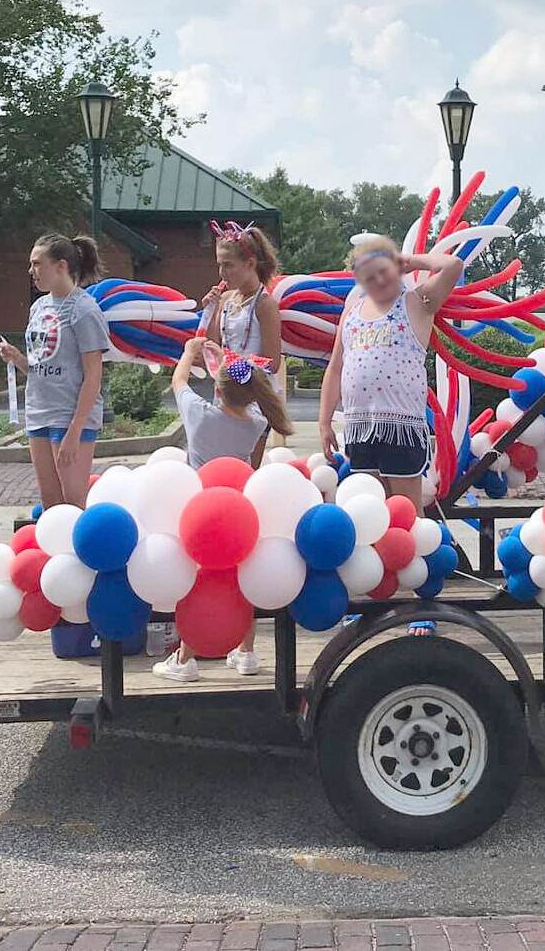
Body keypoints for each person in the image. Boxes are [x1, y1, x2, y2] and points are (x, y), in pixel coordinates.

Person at [153, 334, 294, 683]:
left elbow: (179, 380)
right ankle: (246, 653)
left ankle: (185, 658)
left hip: (201, 515)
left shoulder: (199, 417)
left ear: (217, 389)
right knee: (241, 579)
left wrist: (189, 352)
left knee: (200, 582)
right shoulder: (259, 425)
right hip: (241, 514)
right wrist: (227, 364)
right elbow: (252, 396)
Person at [319, 235, 463, 515]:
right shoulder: (352, 310)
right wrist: (324, 421)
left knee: (405, 510)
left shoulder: (418, 302)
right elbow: (336, 367)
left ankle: (417, 554)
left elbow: (453, 265)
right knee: (372, 507)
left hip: (401, 424)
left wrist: (411, 260)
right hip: (361, 424)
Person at [0, 233, 108, 509]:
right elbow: (39, 367)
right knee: (50, 502)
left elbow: (93, 374)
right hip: (39, 413)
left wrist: (75, 429)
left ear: (60, 265)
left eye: (37, 264)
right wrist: (18, 359)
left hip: (69, 415)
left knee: (72, 502)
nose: (31, 271)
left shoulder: (83, 309)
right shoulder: (39, 307)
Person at [201, 221, 283, 467]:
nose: (222, 273)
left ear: (250, 264)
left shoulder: (265, 304)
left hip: (254, 397)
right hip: (225, 394)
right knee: (223, 464)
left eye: (228, 265)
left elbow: (272, 362)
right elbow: (211, 347)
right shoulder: (226, 299)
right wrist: (210, 311)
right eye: (219, 265)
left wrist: (234, 366)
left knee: (246, 467)